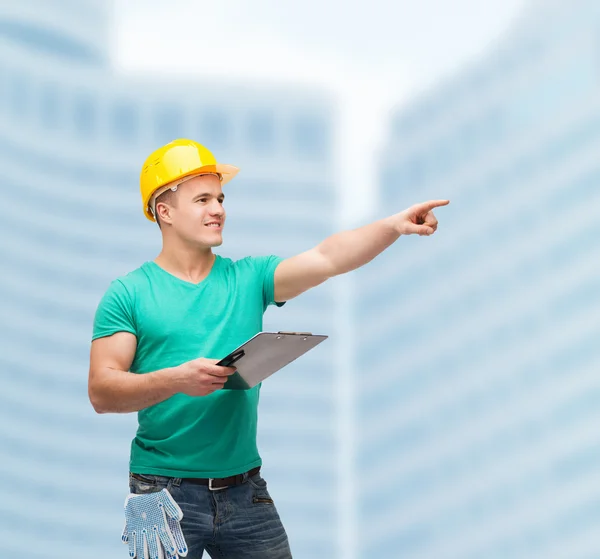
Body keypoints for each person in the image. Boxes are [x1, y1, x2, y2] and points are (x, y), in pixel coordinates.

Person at [88, 138, 449, 559]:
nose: (218, 209)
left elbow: (328, 258)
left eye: (220, 198)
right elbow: (102, 390)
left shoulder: (249, 278)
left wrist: (392, 226)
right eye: (202, 199)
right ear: (164, 212)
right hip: (161, 494)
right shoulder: (129, 294)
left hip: (245, 492)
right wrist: (178, 379)